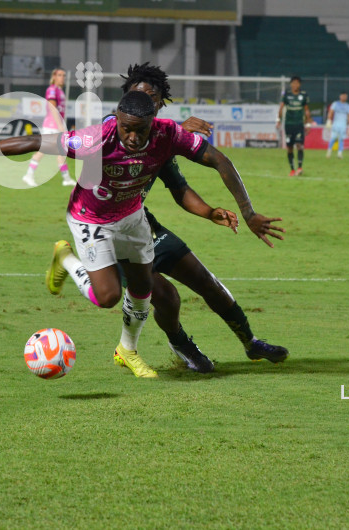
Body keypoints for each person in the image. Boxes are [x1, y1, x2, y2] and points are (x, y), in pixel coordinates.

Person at [0, 90, 284, 379]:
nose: (133, 137)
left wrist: (248, 212)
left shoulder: (168, 135)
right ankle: (67, 259)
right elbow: (32, 141)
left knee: (145, 288)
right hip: (91, 220)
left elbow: (220, 160)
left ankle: (128, 350)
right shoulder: (94, 139)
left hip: (133, 218)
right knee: (107, 297)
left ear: (153, 123)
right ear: (116, 120)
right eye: (127, 129)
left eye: (140, 130)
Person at [50, 62, 290, 374]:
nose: (146, 103)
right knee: (166, 296)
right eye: (140, 96)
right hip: (108, 230)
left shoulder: (160, 140)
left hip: (143, 225)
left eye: (153, 99)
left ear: (160, 104)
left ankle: (251, 342)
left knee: (206, 281)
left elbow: (180, 189)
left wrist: (209, 212)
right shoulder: (117, 128)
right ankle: (182, 346)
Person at [22, 68, 74, 187]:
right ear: (54, 77)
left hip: (57, 125)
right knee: (43, 150)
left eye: (64, 75)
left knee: (61, 152)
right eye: (60, 75)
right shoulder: (52, 89)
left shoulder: (60, 90)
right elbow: (52, 108)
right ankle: (28, 175)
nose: (63, 77)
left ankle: (66, 178)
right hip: (51, 125)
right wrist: (60, 125)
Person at [277, 76, 312, 176]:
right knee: (289, 147)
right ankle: (292, 169)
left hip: (299, 124)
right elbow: (281, 107)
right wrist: (278, 120)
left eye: (297, 83)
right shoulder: (287, 95)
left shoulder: (303, 95)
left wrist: (308, 124)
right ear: (291, 84)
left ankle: (300, 168)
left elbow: (307, 110)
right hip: (288, 125)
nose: (295, 85)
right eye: (294, 83)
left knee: (299, 145)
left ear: (299, 85)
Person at [326, 91, 349, 159]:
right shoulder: (335, 104)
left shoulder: (348, 106)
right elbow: (331, 112)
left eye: (345, 96)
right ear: (340, 96)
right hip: (336, 124)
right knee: (333, 138)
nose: (344, 97)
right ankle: (329, 152)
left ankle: (339, 153)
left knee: (341, 139)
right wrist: (329, 120)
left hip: (343, 125)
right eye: (343, 96)